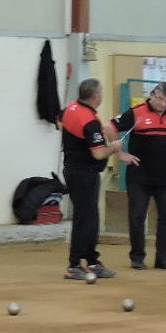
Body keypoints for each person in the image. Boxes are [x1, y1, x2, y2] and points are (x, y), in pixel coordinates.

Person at [61, 78, 139, 280]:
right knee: (85, 219)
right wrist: (114, 147)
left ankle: (92, 261)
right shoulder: (90, 121)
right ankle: (74, 265)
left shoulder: (70, 109)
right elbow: (98, 154)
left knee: (90, 218)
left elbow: (65, 125)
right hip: (84, 174)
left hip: (72, 170)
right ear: (96, 96)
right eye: (101, 92)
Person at [105, 82, 166, 270]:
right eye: (161, 99)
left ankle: (163, 259)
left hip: (163, 178)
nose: (164, 104)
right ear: (152, 95)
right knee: (137, 217)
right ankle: (137, 258)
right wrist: (120, 153)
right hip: (139, 177)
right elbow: (109, 127)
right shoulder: (136, 113)